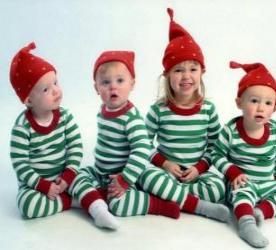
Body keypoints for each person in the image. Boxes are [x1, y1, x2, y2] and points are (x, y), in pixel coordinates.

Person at [72, 50, 180, 230]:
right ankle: (97, 196)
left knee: (118, 206)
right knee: (73, 176)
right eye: (105, 82)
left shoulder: (131, 119)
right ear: (96, 88)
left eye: (120, 81)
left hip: (125, 174)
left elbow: (142, 150)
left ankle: (158, 205)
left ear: (132, 84)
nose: (113, 87)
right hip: (101, 172)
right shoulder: (102, 110)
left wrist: (125, 179)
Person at [139, 8, 229, 222]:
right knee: (145, 176)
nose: (186, 76)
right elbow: (143, 145)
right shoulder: (158, 110)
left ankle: (174, 199)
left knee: (218, 187)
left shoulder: (208, 109)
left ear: (202, 72)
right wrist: (164, 164)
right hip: (166, 173)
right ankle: (196, 205)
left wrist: (199, 169)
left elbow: (215, 148)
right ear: (167, 75)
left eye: (193, 69)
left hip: (196, 174)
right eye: (178, 70)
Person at [212, 61, 276, 248]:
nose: (261, 108)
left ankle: (260, 212)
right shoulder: (231, 130)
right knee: (240, 194)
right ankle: (246, 224)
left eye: (268, 103)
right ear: (239, 102)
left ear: (274, 108)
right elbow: (216, 155)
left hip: (266, 182)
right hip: (242, 182)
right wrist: (233, 172)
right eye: (254, 101)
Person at [9, 42, 83, 218]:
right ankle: (69, 202)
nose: (56, 91)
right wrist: (42, 185)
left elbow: (76, 147)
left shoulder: (65, 117)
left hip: (63, 178)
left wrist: (68, 175)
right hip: (35, 185)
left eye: (55, 82)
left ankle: (89, 200)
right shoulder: (22, 127)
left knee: (85, 180)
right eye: (46, 89)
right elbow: (20, 165)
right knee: (27, 206)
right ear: (28, 100)